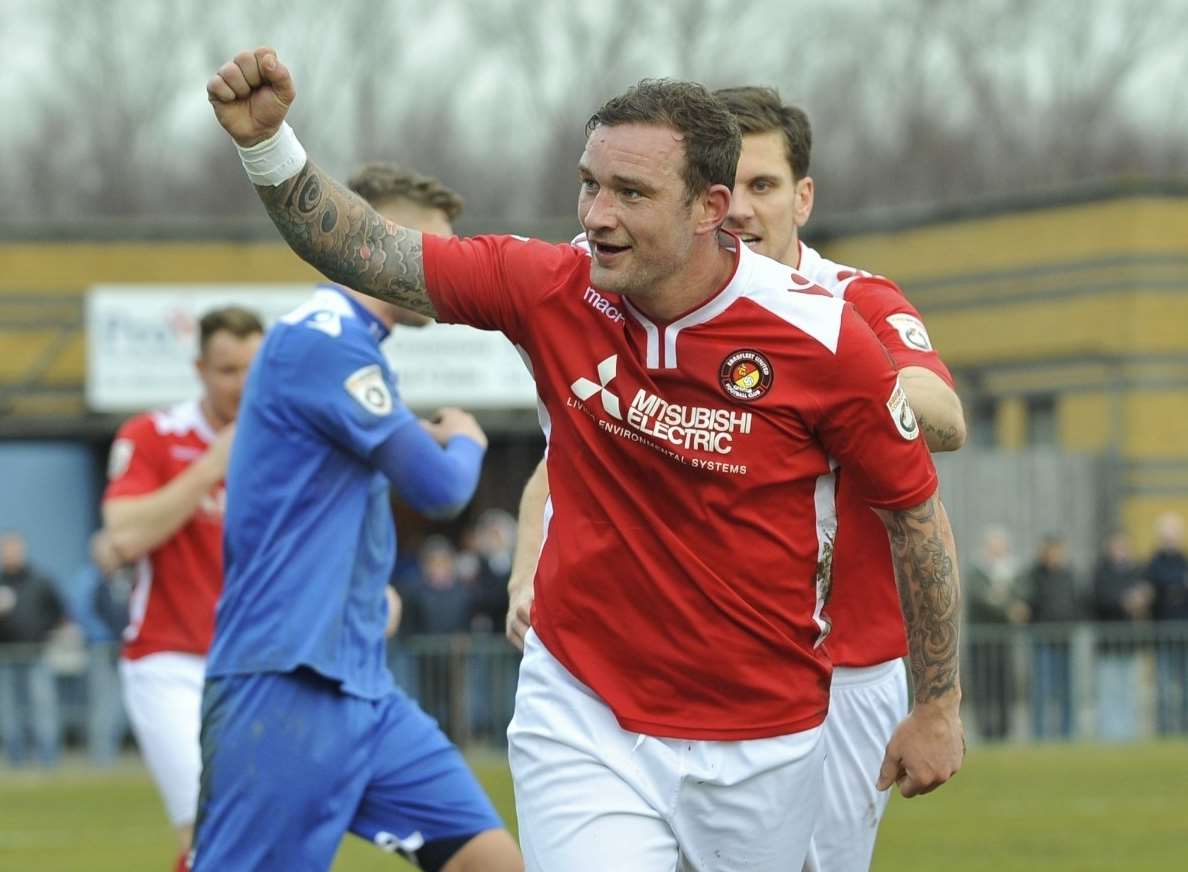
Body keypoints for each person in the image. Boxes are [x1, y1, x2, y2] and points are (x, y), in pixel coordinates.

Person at [208, 48, 963, 871]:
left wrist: (937, 705)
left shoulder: (824, 335)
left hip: (763, 734)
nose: (598, 214)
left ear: (711, 208)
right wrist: (269, 145)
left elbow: (913, 517)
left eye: (631, 193)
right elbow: (371, 253)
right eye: (590, 183)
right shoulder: (553, 288)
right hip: (584, 709)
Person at [505, 85, 967, 872]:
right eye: (736, 187)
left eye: (767, 186)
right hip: (672, 673)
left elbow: (943, 415)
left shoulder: (849, 304)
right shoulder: (636, 298)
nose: (746, 209)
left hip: (844, 671)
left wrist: (833, 396)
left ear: (804, 196)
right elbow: (568, 454)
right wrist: (526, 574)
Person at [190, 159, 522, 872]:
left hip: (364, 689)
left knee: (488, 860)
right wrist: (464, 434)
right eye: (439, 245)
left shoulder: (352, 348)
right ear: (388, 237)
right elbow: (439, 489)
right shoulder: (321, 336)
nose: (450, 266)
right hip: (286, 683)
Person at [101, 305, 263, 868]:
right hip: (167, 659)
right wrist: (211, 467)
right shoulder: (154, 435)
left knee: (258, 829)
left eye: (252, 368)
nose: (242, 384)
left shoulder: (283, 441)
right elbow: (123, 533)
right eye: (227, 370)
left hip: (254, 663)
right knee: (210, 824)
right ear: (199, 369)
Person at [0, 530, 67, 768]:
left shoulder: (40, 581)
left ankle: (47, 758)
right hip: (5, 657)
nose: (10, 555)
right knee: (8, 710)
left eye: (14, 549)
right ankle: (14, 758)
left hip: (37, 654)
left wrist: (45, 634)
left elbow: (60, 613)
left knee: (43, 706)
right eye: (6, 550)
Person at [964, 525, 1028, 741]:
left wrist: (1002, 600)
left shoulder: (1012, 570)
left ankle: (1004, 729)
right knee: (983, 686)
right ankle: (985, 730)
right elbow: (982, 599)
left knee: (1004, 685)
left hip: (1004, 641)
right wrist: (1007, 607)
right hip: (982, 642)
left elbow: (1021, 594)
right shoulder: (976, 571)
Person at [1090, 528, 1152, 740]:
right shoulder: (1102, 571)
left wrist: (1141, 601)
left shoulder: (1135, 571)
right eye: (1116, 546)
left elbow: (1145, 595)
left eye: (1123, 546)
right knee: (1109, 689)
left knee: (1129, 688)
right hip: (1108, 642)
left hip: (1130, 641)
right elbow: (1101, 599)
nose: (1120, 550)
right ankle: (1110, 733)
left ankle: (1129, 731)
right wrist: (1122, 602)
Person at [1022, 533, 1082, 739]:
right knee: (1042, 689)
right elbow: (1028, 601)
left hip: (1065, 639)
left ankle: (1066, 732)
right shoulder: (1034, 574)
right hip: (1042, 640)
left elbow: (1076, 600)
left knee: (1065, 689)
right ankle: (1040, 733)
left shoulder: (1068, 574)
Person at [1147, 512, 1188, 734]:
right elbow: (1157, 585)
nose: (1170, 540)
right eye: (1166, 535)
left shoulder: (1184, 560)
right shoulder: (1154, 564)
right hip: (1163, 634)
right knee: (1163, 685)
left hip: (1185, 634)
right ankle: (1164, 729)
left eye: (1174, 535)